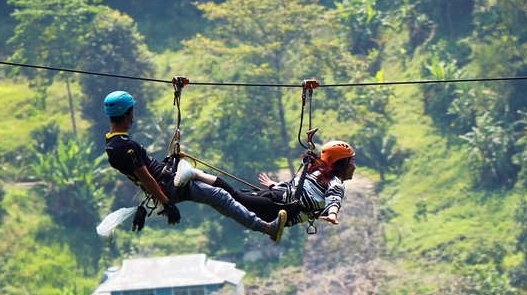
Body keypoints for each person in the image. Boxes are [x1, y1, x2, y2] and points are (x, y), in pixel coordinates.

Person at [103, 90, 287, 242]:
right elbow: (145, 177)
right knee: (221, 197)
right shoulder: (126, 147)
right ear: (129, 113)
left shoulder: (111, 145)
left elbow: (143, 177)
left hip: (166, 182)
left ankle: (263, 224)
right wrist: (167, 204)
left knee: (218, 196)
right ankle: (267, 228)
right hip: (169, 186)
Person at [174, 140, 356, 228]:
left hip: (277, 201)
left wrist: (272, 185)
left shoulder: (315, 173)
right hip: (277, 206)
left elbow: (296, 191)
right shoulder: (335, 183)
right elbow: (334, 199)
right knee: (235, 197)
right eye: (351, 162)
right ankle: (194, 173)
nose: (354, 167)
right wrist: (332, 214)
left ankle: (194, 176)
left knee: (234, 197)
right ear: (341, 164)